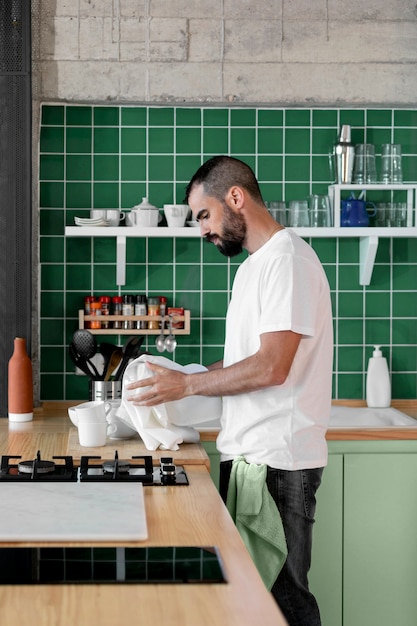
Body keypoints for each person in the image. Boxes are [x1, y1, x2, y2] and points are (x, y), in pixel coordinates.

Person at [127, 155, 333, 626]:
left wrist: (188, 383)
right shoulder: (253, 269)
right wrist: (178, 382)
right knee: (250, 603)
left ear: (235, 197)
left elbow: (271, 367)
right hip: (249, 460)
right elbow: (246, 360)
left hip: (279, 465)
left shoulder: (290, 261)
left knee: (285, 604)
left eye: (204, 214)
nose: (201, 230)